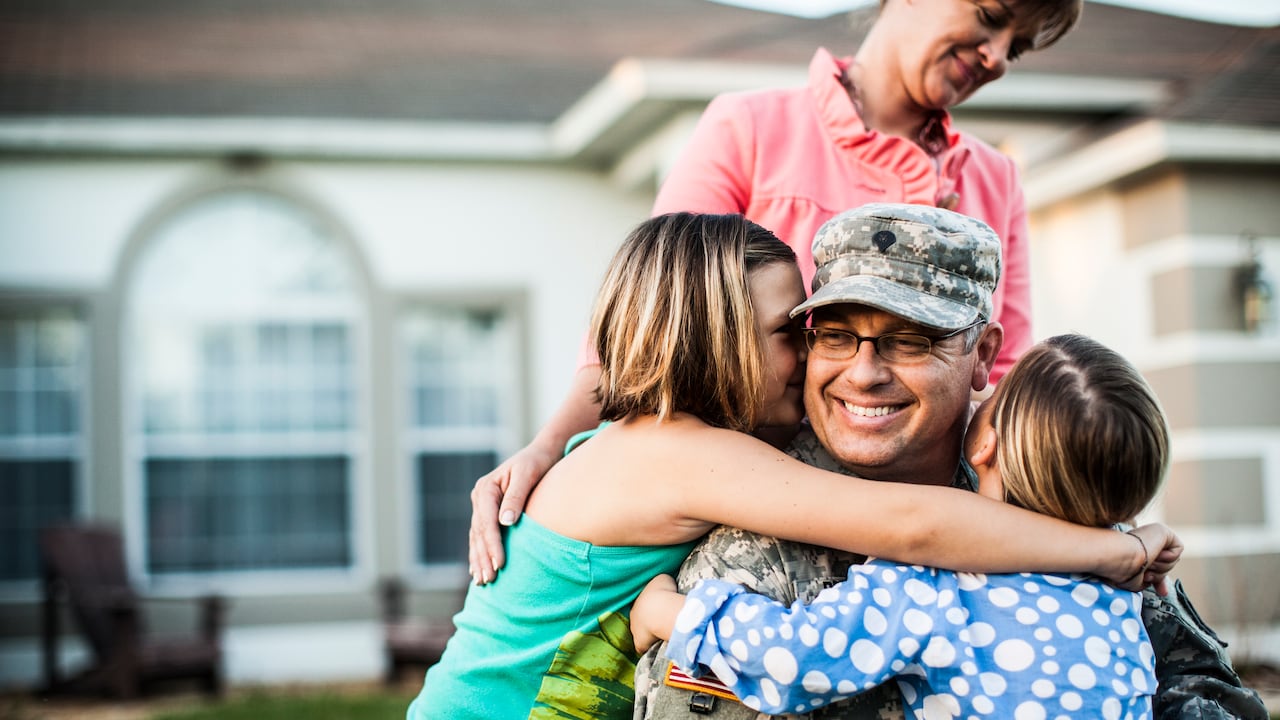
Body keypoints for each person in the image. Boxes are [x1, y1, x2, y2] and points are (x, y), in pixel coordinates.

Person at [406, 211, 1170, 720]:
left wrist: (544, 441)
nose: (815, 360)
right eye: (795, 333)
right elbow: (913, 526)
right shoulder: (684, 456)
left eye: (908, 341)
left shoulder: (652, 430)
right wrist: (1110, 550)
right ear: (714, 342)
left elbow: (607, 376)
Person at [469, 0, 1083, 579]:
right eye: (992, 17)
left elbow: (1008, 381)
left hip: (942, 522)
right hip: (767, 523)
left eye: (1019, 48)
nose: (998, 56)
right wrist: (549, 448)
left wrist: (1072, 518)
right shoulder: (751, 128)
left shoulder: (995, 178)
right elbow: (652, 320)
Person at [631, 203, 1268, 720]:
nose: (864, 373)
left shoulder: (1044, 486)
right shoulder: (749, 546)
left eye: (910, 340)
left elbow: (1206, 690)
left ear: (985, 353)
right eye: (835, 334)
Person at [630, 333, 1172, 718]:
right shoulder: (1119, 580)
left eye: (997, 392)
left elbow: (798, 658)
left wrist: (673, 612)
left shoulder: (934, 585)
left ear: (985, 443)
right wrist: (1140, 542)